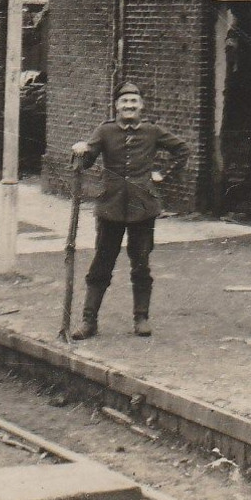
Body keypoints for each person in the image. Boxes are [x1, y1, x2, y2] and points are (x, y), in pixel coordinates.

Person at [69, 82, 190, 340]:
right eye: (125, 102)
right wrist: (82, 150)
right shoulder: (105, 130)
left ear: (141, 106)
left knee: (141, 264)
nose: (129, 106)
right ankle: (89, 321)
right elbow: (88, 159)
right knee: (101, 264)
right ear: (117, 106)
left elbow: (182, 150)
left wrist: (163, 177)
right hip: (110, 208)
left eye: (134, 102)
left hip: (142, 208)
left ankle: (141, 318)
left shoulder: (152, 131)